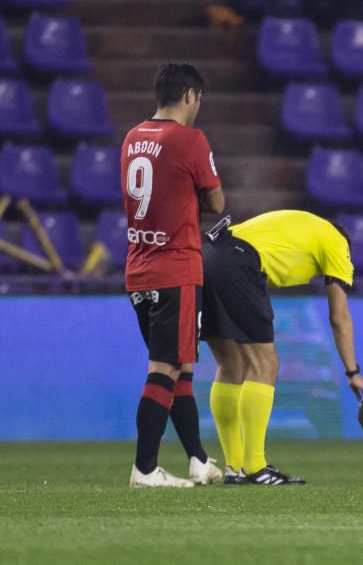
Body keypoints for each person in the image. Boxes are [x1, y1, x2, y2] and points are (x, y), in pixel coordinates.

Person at [201, 209, 363, 485]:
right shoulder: (335, 241)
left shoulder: (300, 228)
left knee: (230, 364)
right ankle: (255, 466)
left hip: (207, 257)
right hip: (238, 261)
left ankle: (235, 467)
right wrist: (352, 372)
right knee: (266, 363)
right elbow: (339, 317)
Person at [120, 62, 225, 488]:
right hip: (176, 267)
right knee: (165, 366)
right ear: (190, 96)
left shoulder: (132, 137)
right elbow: (216, 202)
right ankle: (144, 469)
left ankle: (197, 460)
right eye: (199, 98)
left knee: (180, 367)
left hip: (139, 268)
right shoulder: (190, 140)